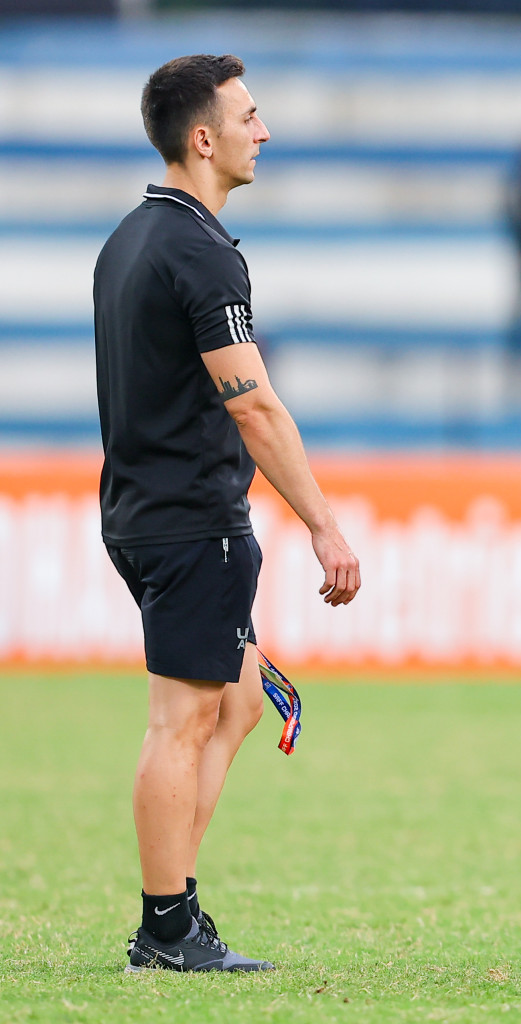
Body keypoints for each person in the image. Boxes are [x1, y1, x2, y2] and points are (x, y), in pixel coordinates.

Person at [95, 54, 360, 973]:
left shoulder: (129, 238)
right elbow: (252, 404)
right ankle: (166, 926)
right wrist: (325, 524)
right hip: (191, 522)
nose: (265, 129)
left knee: (241, 700)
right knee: (182, 719)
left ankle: (175, 909)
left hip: (138, 511)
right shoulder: (202, 252)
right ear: (203, 137)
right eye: (250, 115)